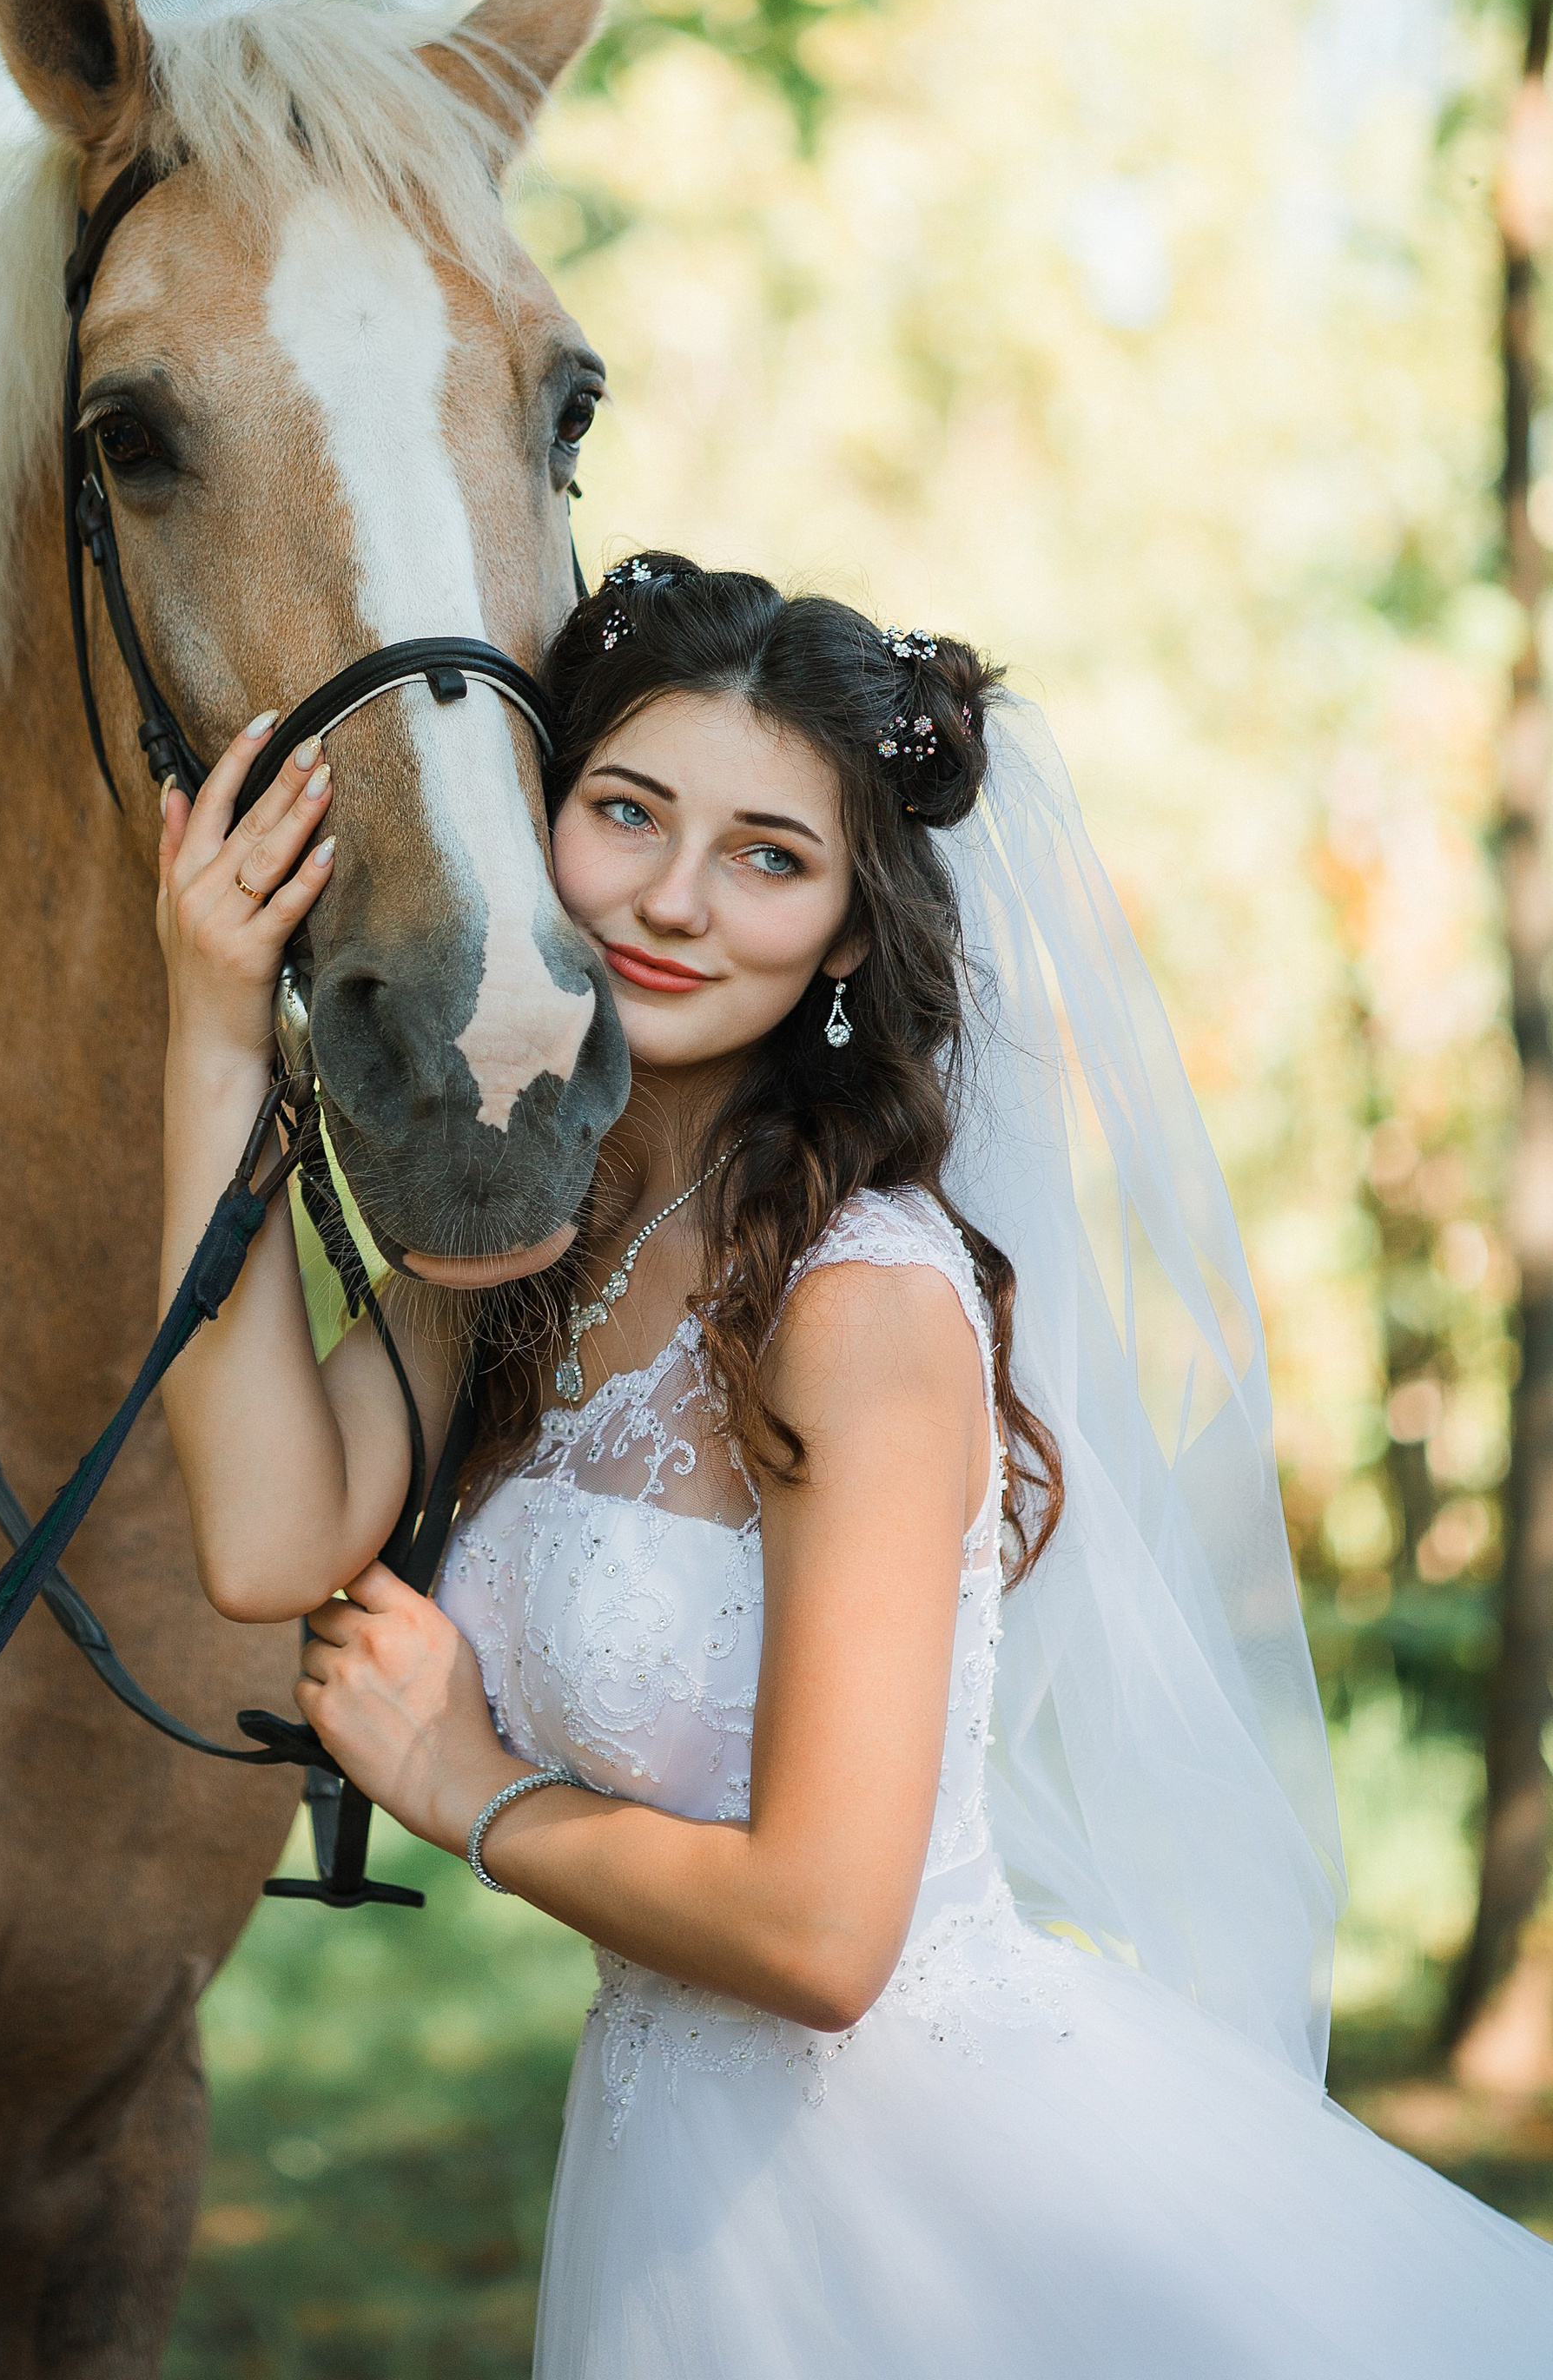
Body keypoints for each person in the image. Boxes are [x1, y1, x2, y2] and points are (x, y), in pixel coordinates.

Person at [155, 553, 1553, 2374]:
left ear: (839, 933)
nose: (670, 900)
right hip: (678, 2174)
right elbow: (265, 1535)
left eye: (765, 856)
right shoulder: (531, 1236)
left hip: (941, 2211)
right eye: (623, 812)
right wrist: (203, 1020)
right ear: (537, 825)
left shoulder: (855, 1308)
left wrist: (460, 1780)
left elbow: (824, 1931)